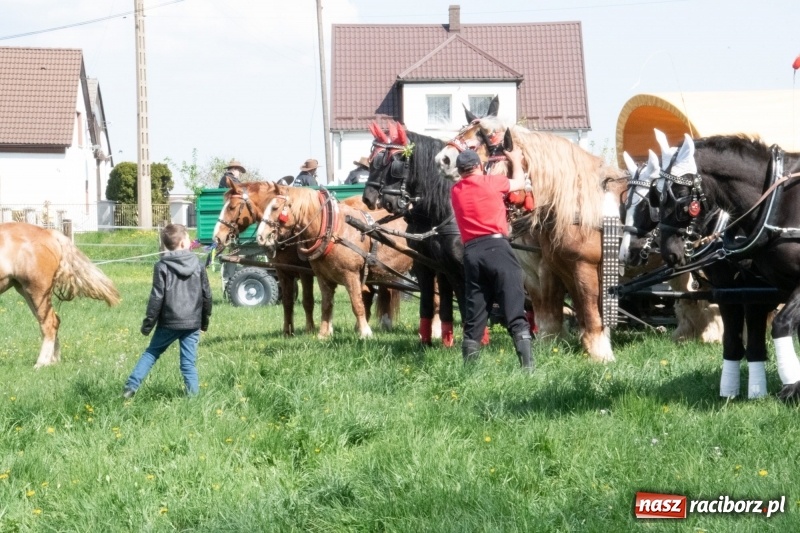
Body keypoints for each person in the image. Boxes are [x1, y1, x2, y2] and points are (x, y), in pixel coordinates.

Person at [450, 148, 533, 371]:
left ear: (460, 171)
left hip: (471, 254)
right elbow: (518, 183)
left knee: (475, 314)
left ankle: (469, 371)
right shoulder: (492, 182)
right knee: (514, 307)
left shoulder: (456, 190)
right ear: (479, 166)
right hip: (497, 248)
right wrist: (515, 160)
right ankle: (528, 369)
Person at [123, 224, 212, 398]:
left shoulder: (161, 266)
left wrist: (148, 325)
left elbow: (156, 298)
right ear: (183, 243)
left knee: (152, 352)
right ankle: (194, 398)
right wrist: (204, 322)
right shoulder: (199, 265)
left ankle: (130, 387)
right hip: (192, 322)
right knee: (188, 364)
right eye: (187, 236)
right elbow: (207, 296)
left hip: (168, 322)